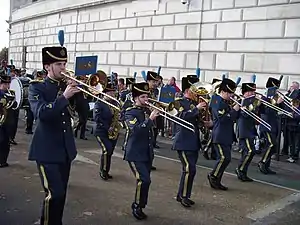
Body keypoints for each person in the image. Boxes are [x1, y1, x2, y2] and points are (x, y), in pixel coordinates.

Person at [28, 45, 80, 225]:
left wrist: (79, 94)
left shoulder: (67, 86)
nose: (63, 68)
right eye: (59, 64)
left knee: (61, 194)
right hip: (46, 151)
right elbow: (42, 113)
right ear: (47, 67)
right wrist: (64, 97)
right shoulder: (37, 88)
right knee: (54, 193)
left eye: (64, 63)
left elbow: (80, 113)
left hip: (65, 150)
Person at [123, 82, 159, 220]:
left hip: (146, 152)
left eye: (147, 96)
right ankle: (137, 205)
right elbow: (136, 131)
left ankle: (141, 205)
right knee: (144, 180)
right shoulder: (130, 112)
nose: (146, 99)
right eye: (143, 97)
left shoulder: (146, 110)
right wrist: (150, 119)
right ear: (135, 98)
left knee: (146, 181)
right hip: (134, 153)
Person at [172, 76, 207, 207]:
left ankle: (182, 195)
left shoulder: (194, 103)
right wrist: (196, 109)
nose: (198, 93)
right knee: (189, 170)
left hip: (193, 142)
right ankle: (184, 196)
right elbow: (180, 117)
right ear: (187, 90)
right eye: (195, 90)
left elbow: (196, 121)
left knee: (189, 170)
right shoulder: (179, 102)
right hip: (183, 141)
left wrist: (205, 122)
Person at [208, 78, 240, 190]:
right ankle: (213, 176)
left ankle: (217, 179)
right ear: (223, 91)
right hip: (220, 134)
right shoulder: (217, 101)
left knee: (226, 158)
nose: (231, 96)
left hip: (226, 135)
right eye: (230, 93)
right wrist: (235, 110)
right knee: (223, 158)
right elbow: (222, 118)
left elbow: (232, 118)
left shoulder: (225, 102)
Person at [94, 79, 121, 180]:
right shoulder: (99, 103)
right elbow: (97, 119)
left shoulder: (115, 103)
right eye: (110, 92)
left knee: (110, 152)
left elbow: (118, 115)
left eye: (113, 92)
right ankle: (103, 171)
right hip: (101, 131)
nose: (113, 94)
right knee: (107, 150)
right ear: (105, 93)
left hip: (112, 131)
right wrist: (107, 127)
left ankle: (106, 170)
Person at [235, 82, 262, 182]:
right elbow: (245, 114)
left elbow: (255, 114)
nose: (252, 93)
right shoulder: (241, 101)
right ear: (245, 92)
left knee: (247, 152)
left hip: (250, 129)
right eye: (250, 91)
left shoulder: (250, 101)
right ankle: (240, 169)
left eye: (253, 91)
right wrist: (254, 104)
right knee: (250, 151)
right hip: (244, 130)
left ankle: (242, 171)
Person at [257, 77, 282, 175]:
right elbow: (266, 111)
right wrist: (277, 103)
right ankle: (262, 162)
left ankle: (266, 165)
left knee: (270, 145)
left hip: (273, 124)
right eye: (276, 87)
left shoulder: (274, 96)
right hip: (266, 124)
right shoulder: (265, 96)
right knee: (272, 144)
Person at [0, 71, 13, 168]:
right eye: (5, 84)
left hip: (7, 121)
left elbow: (15, 106)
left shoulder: (10, 93)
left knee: (6, 141)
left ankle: (3, 160)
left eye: (8, 83)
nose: (7, 86)